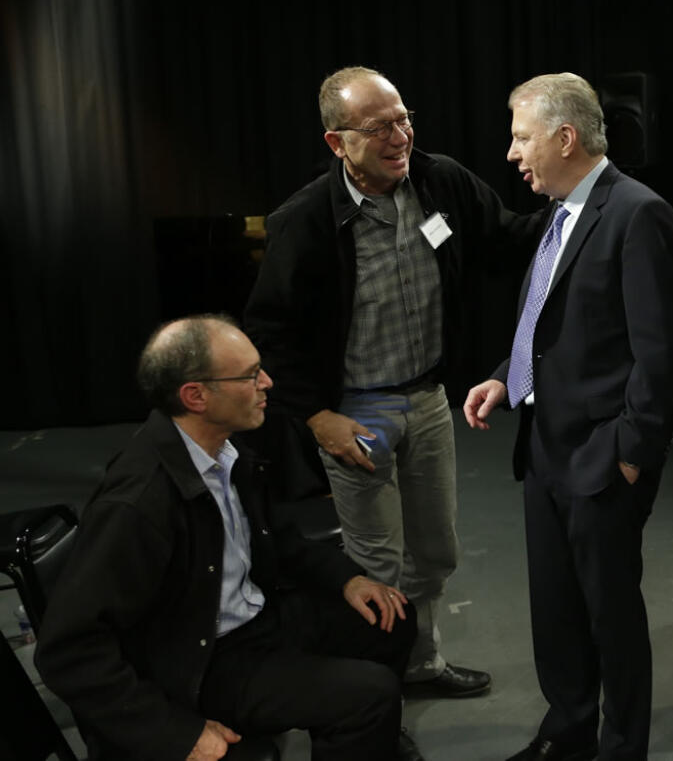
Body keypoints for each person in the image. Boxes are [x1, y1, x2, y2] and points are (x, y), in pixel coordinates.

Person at [245, 66, 536, 698]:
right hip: (358, 412)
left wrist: (579, 210)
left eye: (403, 119)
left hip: (428, 399)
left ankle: (420, 667)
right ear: (337, 142)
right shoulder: (304, 222)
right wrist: (318, 419)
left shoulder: (441, 183)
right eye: (379, 127)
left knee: (433, 554)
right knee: (377, 564)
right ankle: (376, 698)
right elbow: (268, 334)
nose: (400, 135)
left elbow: (510, 239)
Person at [35, 315, 422, 761]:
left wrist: (349, 579)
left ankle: (365, 739)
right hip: (203, 661)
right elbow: (67, 652)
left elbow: (280, 540)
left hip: (256, 617)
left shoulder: (229, 450)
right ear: (196, 395)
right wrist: (175, 733)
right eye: (250, 375)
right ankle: (365, 726)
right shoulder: (139, 503)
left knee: (392, 616)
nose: (268, 382)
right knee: (368, 696)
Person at [463, 73, 673, 761]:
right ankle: (567, 733)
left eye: (521, 137)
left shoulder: (638, 214)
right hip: (543, 450)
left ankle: (622, 750)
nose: (511, 153)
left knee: (610, 620)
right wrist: (507, 378)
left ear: (565, 138)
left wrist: (628, 452)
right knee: (557, 614)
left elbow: (661, 353)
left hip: (600, 460)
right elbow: (556, 320)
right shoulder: (559, 213)